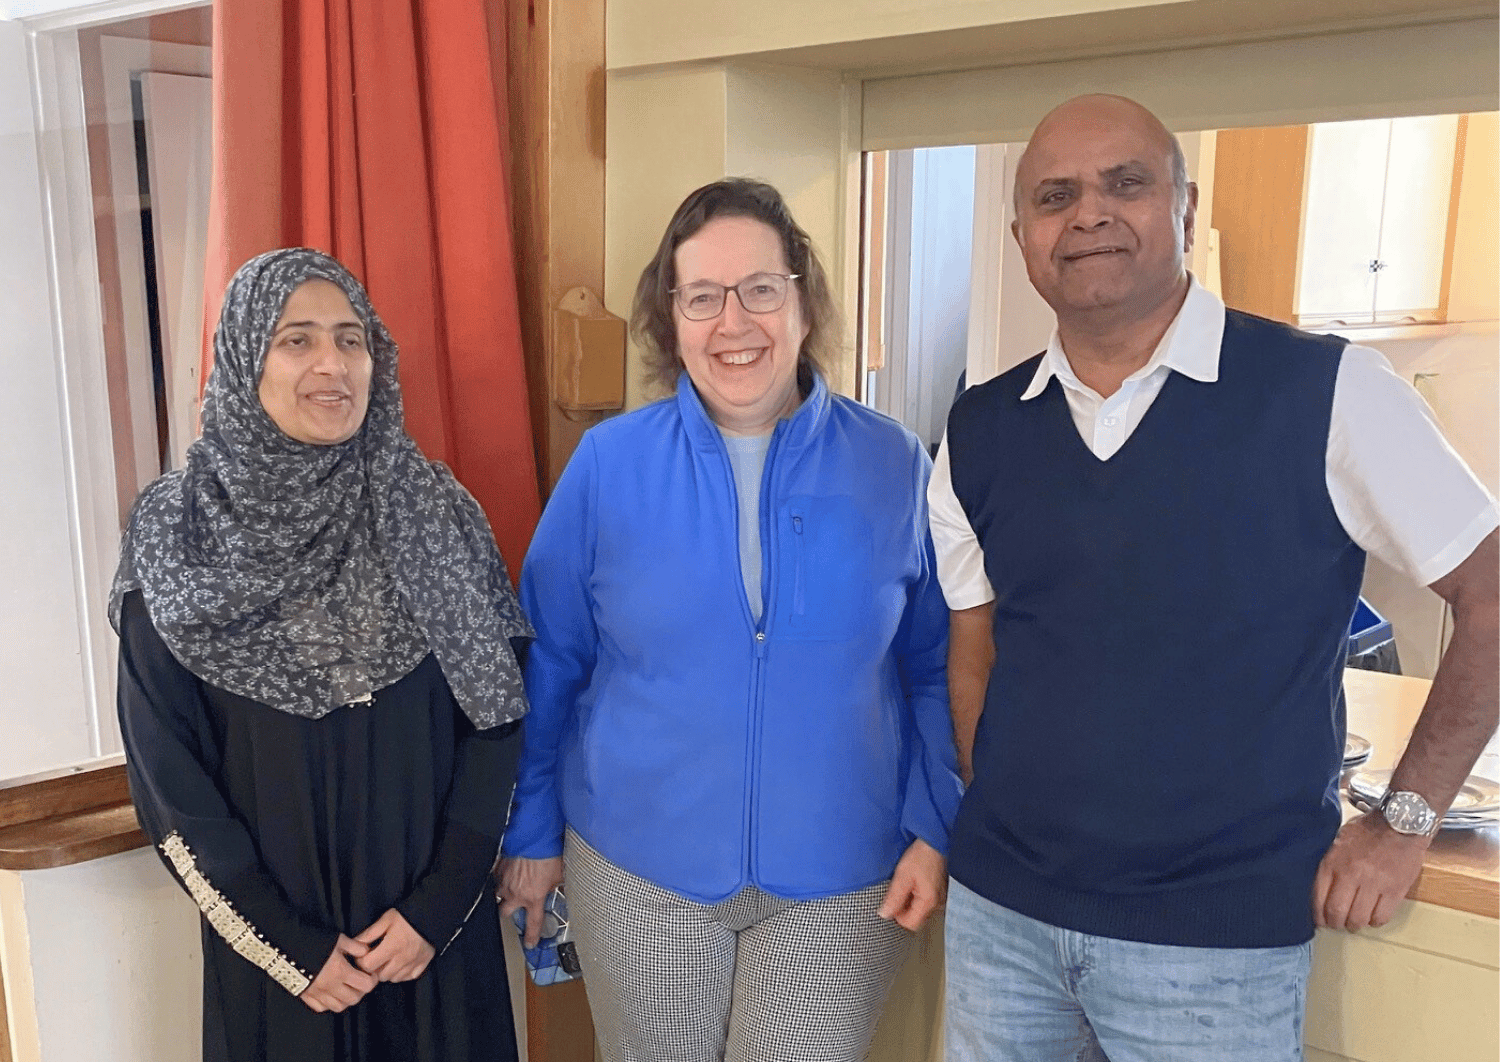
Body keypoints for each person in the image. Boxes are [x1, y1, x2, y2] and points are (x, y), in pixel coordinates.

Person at [931, 94, 1499, 1062]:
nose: (1090, 214)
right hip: (1001, 926)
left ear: (1185, 210)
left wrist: (1404, 823)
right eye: (1056, 195)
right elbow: (975, 658)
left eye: (1127, 183)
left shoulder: (1328, 392)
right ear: (1023, 235)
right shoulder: (980, 428)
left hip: (1213, 952)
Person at [498, 178, 962, 1062]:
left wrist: (934, 827)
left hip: (843, 878)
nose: (733, 323)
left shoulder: (895, 464)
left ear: (802, 299)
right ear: (670, 318)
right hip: (638, 868)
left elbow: (934, 666)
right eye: (701, 297)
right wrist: (530, 835)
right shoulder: (608, 466)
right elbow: (550, 663)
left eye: (760, 289)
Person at [111, 248, 531, 1062]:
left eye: (351, 338)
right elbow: (169, 778)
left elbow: (500, 714)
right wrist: (286, 947)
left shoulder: (434, 513)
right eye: (295, 340)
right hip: (280, 968)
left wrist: (439, 906)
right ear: (242, 362)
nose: (332, 365)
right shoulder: (177, 538)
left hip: (431, 951)